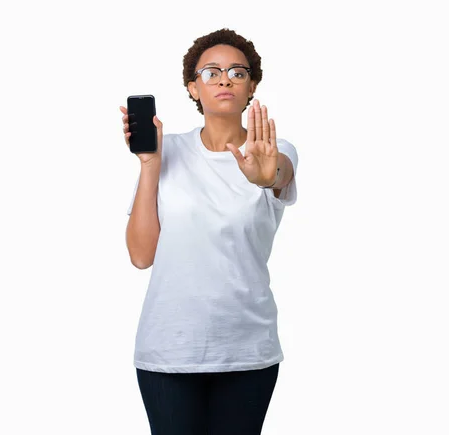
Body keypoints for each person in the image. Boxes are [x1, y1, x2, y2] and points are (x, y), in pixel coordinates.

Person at [121, 28, 299, 435]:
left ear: (251, 85)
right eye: (211, 72)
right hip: (169, 349)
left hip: (247, 351)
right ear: (193, 88)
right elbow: (141, 256)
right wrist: (150, 164)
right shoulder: (168, 152)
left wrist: (265, 174)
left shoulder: (274, 148)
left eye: (238, 72)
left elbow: (279, 173)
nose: (224, 79)